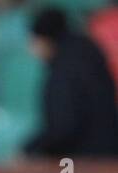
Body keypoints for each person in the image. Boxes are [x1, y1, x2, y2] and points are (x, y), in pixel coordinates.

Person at [24, 6, 118, 158]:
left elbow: (63, 128)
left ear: (44, 39)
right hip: (107, 157)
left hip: (81, 164)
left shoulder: (64, 71)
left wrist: (32, 148)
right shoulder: (90, 55)